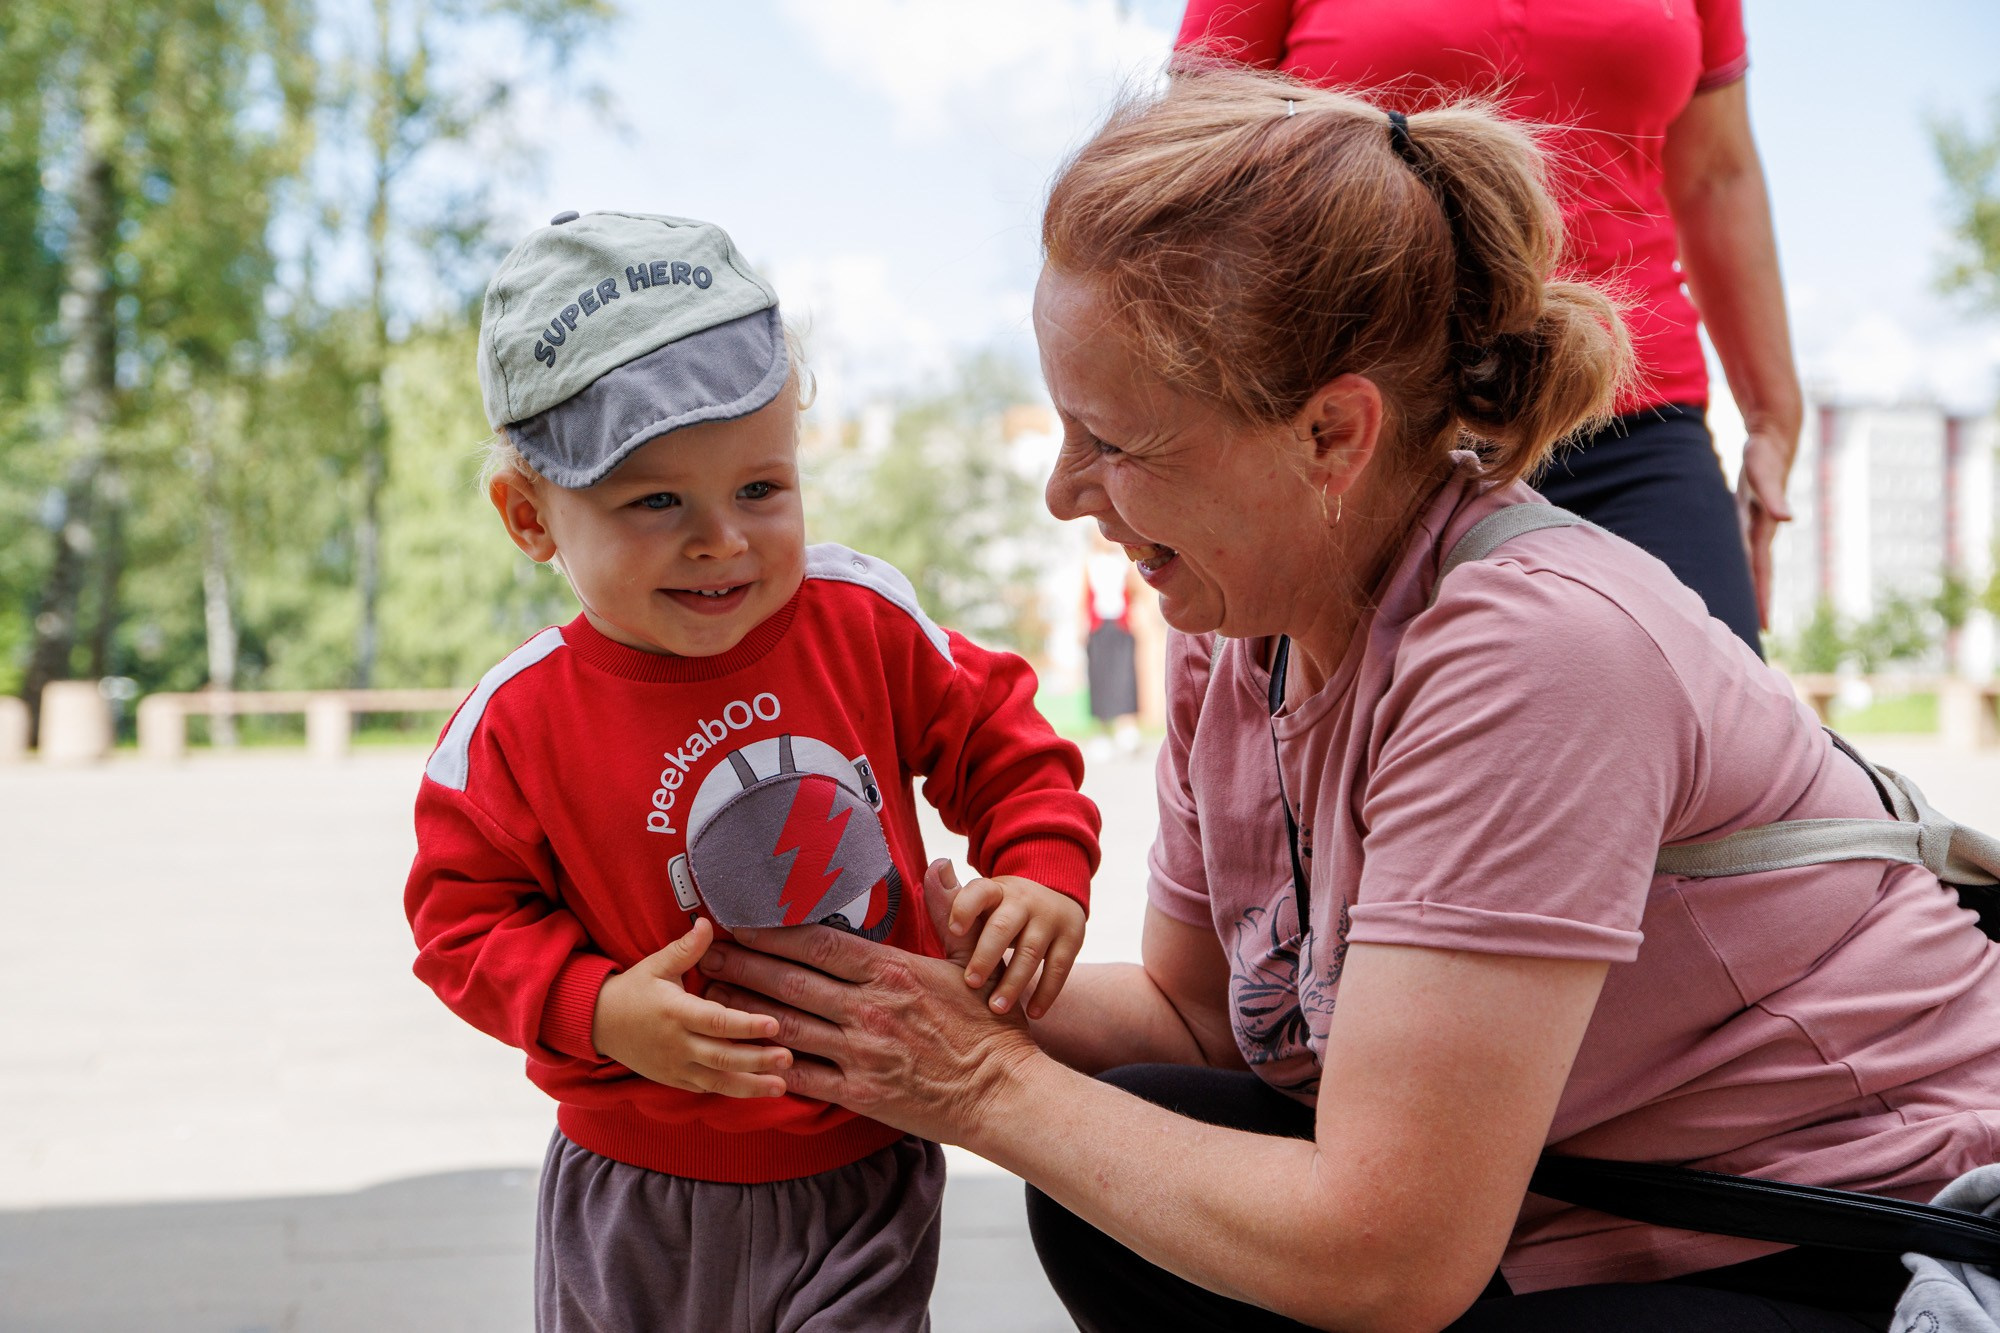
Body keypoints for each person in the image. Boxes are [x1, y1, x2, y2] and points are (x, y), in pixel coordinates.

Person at [691, 73, 2000, 1333]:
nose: (1064, 493)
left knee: (1141, 1175)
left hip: (1864, 1239)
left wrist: (977, 1083)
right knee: (1129, 1174)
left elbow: (1390, 1258)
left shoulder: (1531, 653)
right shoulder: (1237, 628)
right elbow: (1202, 1027)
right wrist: (915, 971)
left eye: (1116, 443)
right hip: (1594, 1209)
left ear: (1331, 434)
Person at [401, 210, 1101, 1332]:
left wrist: (1039, 867)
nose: (721, 539)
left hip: (863, 1161)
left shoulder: (860, 620)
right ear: (529, 517)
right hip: (632, 1190)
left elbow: (1002, 741)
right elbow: (460, 923)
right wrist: (596, 1008)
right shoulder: (512, 725)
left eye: (761, 489)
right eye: (656, 501)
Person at [1175, 0, 1800, 657]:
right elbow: (1188, 161)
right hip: (1362, 428)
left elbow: (1716, 175)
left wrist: (1772, 417)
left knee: (1716, 704)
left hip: (1631, 416)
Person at [1082, 527, 1144, 757]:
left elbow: (1135, 592)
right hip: (1098, 627)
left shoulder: (1123, 563)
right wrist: (1082, 627)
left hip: (1121, 625)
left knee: (1125, 676)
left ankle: (1126, 729)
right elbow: (1083, 597)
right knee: (1099, 678)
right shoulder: (1089, 564)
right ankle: (1101, 732)